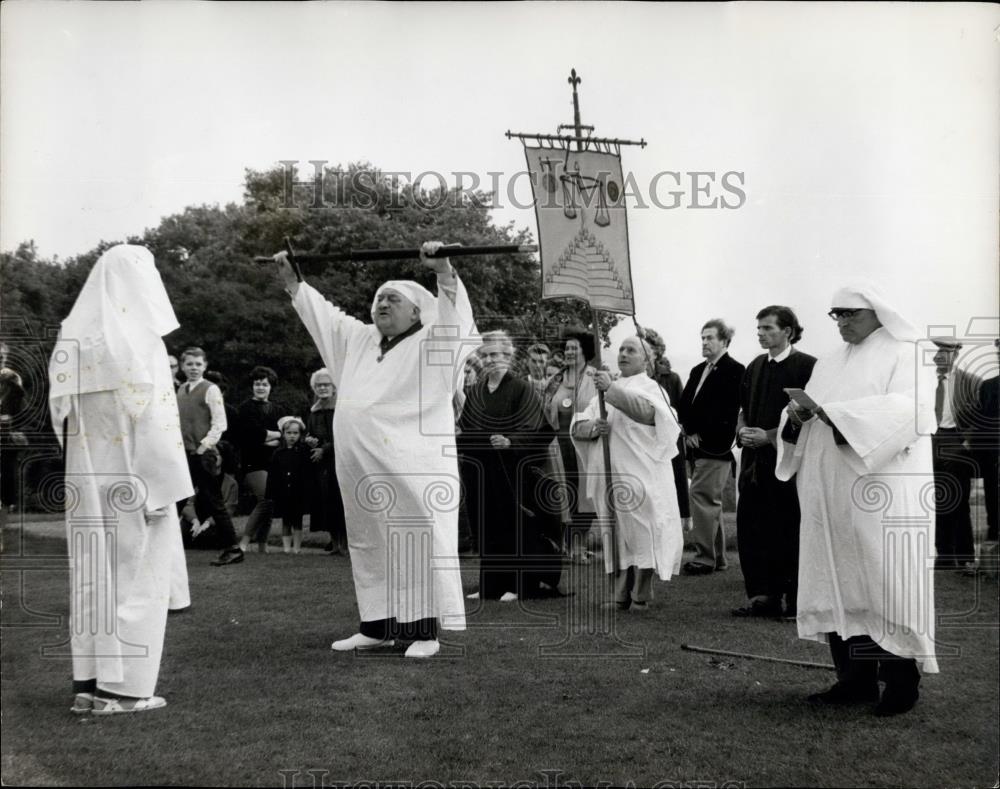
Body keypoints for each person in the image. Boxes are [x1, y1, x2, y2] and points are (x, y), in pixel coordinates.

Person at [275, 240, 477, 659]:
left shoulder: (433, 342)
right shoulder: (360, 340)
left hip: (412, 468)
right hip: (360, 469)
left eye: (393, 298)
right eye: (379, 298)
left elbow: (456, 318)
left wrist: (443, 271)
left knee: (414, 540)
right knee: (369, 542)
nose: (382, 303)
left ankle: (424, 632)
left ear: (416, 311)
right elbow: (325, 318)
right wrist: (295, 283)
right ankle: (377, 627)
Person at [776, 282, 938, 716]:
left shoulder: (908, 352)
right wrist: (796, 416)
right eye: (836, 315)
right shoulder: (830, 361)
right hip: (829, 495)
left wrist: (837, 415)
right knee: (837, 578)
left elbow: (912, 411)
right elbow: (809, 415)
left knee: (885, 581)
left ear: (876, 311)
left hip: (882, 494)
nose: (842, 323)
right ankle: (854, 679)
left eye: (851, 314)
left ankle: (901, 686)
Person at [48, 244, 192, 714]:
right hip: (135, 477)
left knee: (92, 576)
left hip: (87, 481)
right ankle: (125, 692)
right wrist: (163, 488)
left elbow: (59, 416)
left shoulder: (73, 337)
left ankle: (88, 687)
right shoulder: (141, 340)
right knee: (136, 576)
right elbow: (156, 420)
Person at [571, 336, 684, 610]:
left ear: (647, 359)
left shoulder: (652, 388)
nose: (623, 353)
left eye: (631, 350)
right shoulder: (606, 387)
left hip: (641, 476)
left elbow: (647, 413)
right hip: (609, 477)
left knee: (642, 532)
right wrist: (592, 428)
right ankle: (620, 595)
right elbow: (578, 423)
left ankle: (641, 595)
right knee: (616, 536)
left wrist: (610, 389)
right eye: (621, 349)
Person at [458, 331, 561, 601]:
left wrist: (510, 441)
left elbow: (538, 428)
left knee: (514, 525)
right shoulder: (477, 389)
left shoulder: (520, 388)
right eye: (486, 355)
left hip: (511, 471)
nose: (490, 359)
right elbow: (466, 427)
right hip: (480, 470)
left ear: (508, 355)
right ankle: (491, 585)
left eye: (496, 354)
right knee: (485, 525)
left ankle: (520, 585)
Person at [732, 306, 816, 619]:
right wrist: (741, 431)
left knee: (788, 529)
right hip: (753, 465)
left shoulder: (807, 367)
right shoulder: (753, 366)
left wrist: (769, 436)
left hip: (789, 468)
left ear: (788, 331)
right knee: (752, 530)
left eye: (768, 328)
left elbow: (809, 415)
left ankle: (795, 601)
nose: (761, 333)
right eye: (759, 328)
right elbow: (741, 410)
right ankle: (761, 597)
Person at [677, 319, 745, 574]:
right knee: (708, 501)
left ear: (724, 341)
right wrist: (688, 430)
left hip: (716, 446)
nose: (704, 343)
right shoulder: (697, 370)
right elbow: (685, 405)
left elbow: (726, 411)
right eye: (702, 338)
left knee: (702, 498)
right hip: (695, 445)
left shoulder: (735, 370)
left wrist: (699, 433)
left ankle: (704, 558)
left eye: (710, 338)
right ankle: (717, 558)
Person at [176, 347, 243, 566]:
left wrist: (204, 447)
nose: (194, 368)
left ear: (205, 366)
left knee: (214, 502)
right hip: (185, 454)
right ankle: (164, 547)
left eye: (198, 364)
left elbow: (220, 423)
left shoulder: (210, 389)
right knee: (176, 500)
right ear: (183, 366)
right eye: (189, 364)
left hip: (203, 455)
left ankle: (233, 548)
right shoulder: (181, 390)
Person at [544, 331, 599, 564]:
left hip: (586, 444)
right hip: (559, 445)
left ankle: (579, 546)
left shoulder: (596, 377)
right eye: (566, 348)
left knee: (585, 495)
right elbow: (545, 409)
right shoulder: (556, 379)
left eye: (574, 348)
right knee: (563, 495)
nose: (568, 352)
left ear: (585, 351)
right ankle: (563, 547)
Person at [929, 337, 979, 572]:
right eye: (937, 353)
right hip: (931, 441)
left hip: (956, 442)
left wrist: (967, 442)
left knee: (959, 500)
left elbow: (981, 414)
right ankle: (945, 557)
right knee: (939, 500)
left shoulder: (970, 382)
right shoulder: (926, 383)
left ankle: (965, 556)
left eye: (944, 353)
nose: (938, 357)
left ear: (955, 355)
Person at [641, 327, 691, 528]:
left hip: (669, 437)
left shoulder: (671, 378)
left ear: (656, 352)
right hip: (644, 439)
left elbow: (681, 409)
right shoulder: (631, 378)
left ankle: (680, 522)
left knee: (675, 479)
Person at [237, 366, 284, 553]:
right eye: (257, 384)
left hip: (273, 461)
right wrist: (273, 435)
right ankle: (243, 543)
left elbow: (286, 434)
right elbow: (251, 435)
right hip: (252, 461)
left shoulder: (278, 409)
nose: (261, 387)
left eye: (265, 384)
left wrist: (268, 437)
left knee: (270, 504)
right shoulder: (245, 408)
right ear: (252, 386)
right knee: (265, 499)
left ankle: (262, 546)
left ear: (271, 387)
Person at [305, 368, 348, 555]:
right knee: (326, 503)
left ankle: (345, 544)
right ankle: (335, 543)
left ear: (334, 387)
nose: (322, 388)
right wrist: (310, 439)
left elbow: (343, 435)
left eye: (326, 384)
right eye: (318, 385)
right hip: (322, 465)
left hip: (339, 461)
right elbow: (310, 432)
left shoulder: (340, 408)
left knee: (340, 502)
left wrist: (324, 449)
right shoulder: (314, 410)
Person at [262, 416, 312, 554]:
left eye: (295, 433)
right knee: (286, 520)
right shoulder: (278, 453)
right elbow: (272, 475)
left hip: (298, 492)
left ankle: (296, 548)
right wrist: (271, 493)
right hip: (283, 492)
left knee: (297, 520)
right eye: (289, 433)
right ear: (283, 434)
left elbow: (307, 473)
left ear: (300, 434)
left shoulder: (303, 452)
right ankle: (286, 548)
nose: (292, 436)